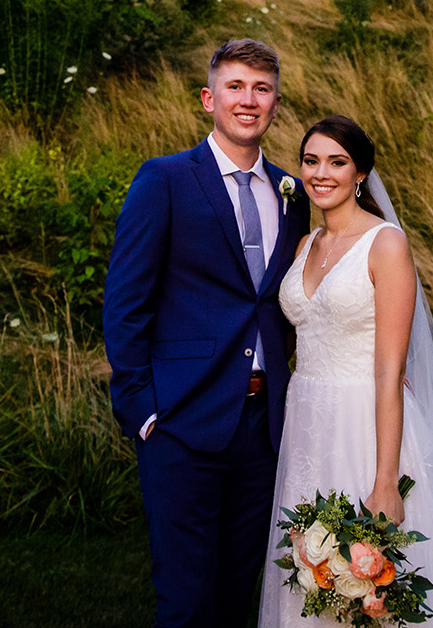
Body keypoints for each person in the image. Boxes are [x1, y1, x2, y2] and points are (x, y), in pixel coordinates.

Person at [257, 116, 433, 628]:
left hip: (367, 425)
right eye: (311, 161)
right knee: (312, 573)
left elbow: (387, 371)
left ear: (360, 173)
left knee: (376, 583)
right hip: (308, 426)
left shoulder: (386, 244)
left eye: (337, 162)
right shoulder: (304, 245)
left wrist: (385, 484)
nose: (320, 172)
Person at [104, 38, 311, 628]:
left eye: (262, 89)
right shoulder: (165, 179)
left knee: (235, 595)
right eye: (236, 87)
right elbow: (125, 305)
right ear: (208, 98)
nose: (249, 100)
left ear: (275, 102)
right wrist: (141, 409)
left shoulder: (293, 194)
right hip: (181, 423)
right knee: (186, 600)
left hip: (262, 431)